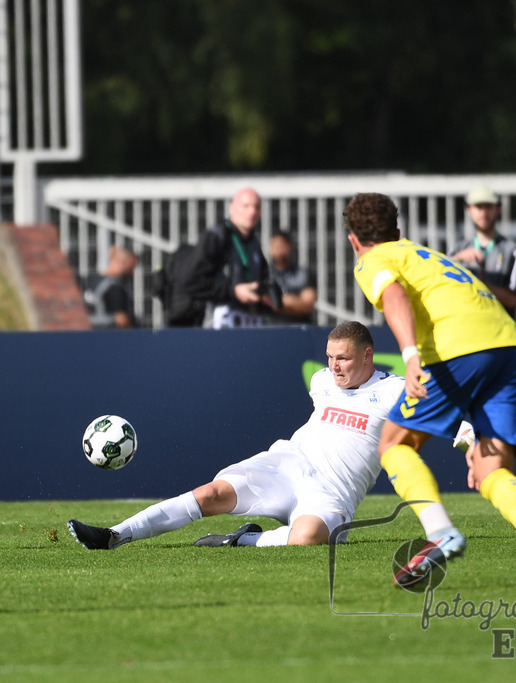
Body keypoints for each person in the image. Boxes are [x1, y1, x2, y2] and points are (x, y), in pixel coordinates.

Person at [344, 192, 516, 590]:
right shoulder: (426, 254)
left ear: (354, 240)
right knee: (491, 468)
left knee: (394, 444)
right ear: (399, 231)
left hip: (458, 349)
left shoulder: (373, 258)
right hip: (511, 347)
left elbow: (393, 296)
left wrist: (410, 356)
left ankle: (440, 531)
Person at [67, 321, 404, 550]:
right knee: (211, 494)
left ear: (367, 355)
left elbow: (438, 417)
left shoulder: (394, 391)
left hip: (332, 490)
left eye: (343, 358)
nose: (335, 366)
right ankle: (114, 535)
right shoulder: (322, 381)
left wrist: (461, 437)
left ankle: (241, 540)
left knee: (307, 537)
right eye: (330, 357)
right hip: (287, 465)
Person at [179, 187, 279, 329]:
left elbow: (262, 278)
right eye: (246, 206)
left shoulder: (253, 243)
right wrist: (233, 291)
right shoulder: (216, 237)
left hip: (248, 323)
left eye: (257, 207)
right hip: (218, 325)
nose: (252, 211)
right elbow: (191, 281)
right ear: (232, 209)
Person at [450, 186, 516, 318]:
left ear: (498, 209)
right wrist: (456, 259)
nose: (483, 213)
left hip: (500, 328)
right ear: (469, 210)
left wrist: (479, 283)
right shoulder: (458, 250)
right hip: (466, 326)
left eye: (488, 207)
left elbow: (511, 300)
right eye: (479, 207)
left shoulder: (512, 251)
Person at [267, 230, 318, 324]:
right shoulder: (265, 274)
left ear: (289, 247)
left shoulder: (302, 274)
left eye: (281, 245)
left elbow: (308, 306)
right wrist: (294, 301)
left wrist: (279, 302)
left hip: (300, 328)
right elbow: (263, 305)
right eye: (274, 246)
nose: (278, 250)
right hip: (272, 329)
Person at [84, 245, 138, 329]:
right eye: (132, 267)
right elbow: (122, 321)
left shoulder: (93, 281)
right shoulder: (115, 287)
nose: (132, 273)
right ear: (123, 263)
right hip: (109, 335)